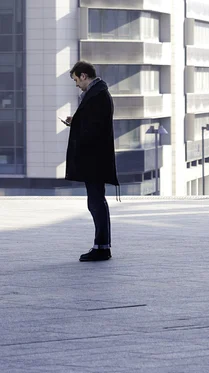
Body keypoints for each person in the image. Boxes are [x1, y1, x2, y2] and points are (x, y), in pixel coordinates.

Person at [64, 61, 119, 262]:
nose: (76, 84)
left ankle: (102, 247)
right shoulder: (97, 94)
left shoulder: (97, 95)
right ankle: (101, 246)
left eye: (76, 80)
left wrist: (77, 123)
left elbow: (95, 128)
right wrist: (76, 122)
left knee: (96, 202)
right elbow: (91, 124)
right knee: (95, 202)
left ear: (84, 76)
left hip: (95, 159)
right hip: (94, 158)